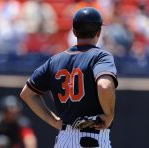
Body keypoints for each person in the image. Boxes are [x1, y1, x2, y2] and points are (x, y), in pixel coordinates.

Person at [20, 7, 118, 148]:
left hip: (64, 140)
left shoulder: (55, 60)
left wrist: (53, 121)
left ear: (74, 31)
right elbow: (104, 85)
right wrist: (109, 116)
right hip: (92, 139)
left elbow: (27, 93)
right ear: (99, 31)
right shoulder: (100, 56)